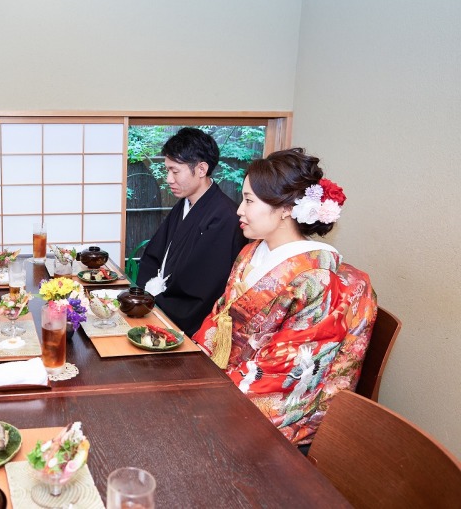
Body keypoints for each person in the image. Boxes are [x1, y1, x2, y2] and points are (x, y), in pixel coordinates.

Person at [193, 148, 377, 446]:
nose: (239, 210)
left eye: (249, 200)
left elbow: (287, 375)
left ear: (287, 208)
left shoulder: (319, 280)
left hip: (277, 406)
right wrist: (194, 367)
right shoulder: (252, 251)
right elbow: (220, 319)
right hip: (232, 378)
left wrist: (209, 397)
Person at [136, 127, 246, 336]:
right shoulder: (185, 204)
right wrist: (147, 293)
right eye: (167, 170)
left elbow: (204, 285)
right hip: (160, 304)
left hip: (188, 322)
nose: (168, 179)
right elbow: (156, 254)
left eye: (175, 171)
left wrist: (158, 300)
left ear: (202, 169)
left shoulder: (224, 217)